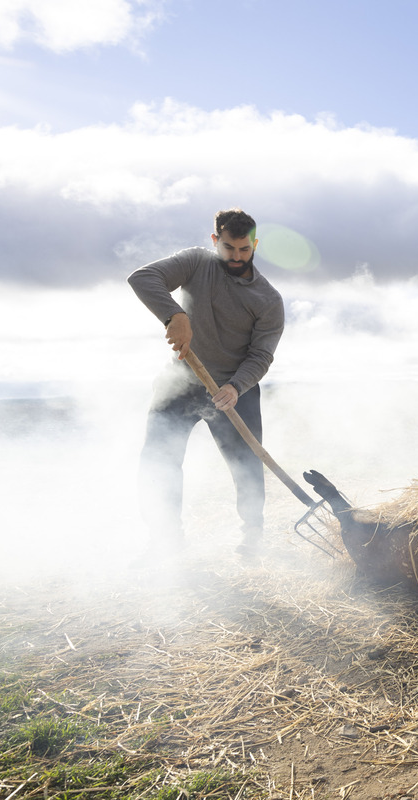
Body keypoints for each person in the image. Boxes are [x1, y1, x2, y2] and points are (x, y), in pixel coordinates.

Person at [129, 208, 285, 557]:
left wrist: (236, 387)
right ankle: (164, 541)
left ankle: (252, 538)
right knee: (158, 460)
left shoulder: (268, 299)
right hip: (181, 382)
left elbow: (261, 356)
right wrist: (175, 314)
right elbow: (143, 277)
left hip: (234, 389)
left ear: (255, 244)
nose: (237, 257)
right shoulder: (196, 263)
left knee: (245, 464)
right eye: (229, 248)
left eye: (245, 250)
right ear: (216, 241)